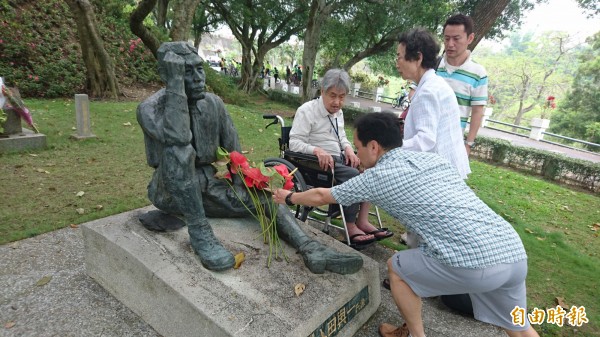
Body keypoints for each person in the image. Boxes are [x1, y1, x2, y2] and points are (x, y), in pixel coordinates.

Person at [273, 112, 540, 337]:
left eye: (358, 147)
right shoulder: (432, 159)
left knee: (397, 269)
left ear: (374, 147)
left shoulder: (379, 177)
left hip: (473, 261)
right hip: (512, 252)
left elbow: (322, 195)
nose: (355, 153)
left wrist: (290, 197)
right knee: (518, 326)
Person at [136, 42, 362, 275]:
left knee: (267, 198)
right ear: (169, 76)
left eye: (199, 69)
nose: (196, 78)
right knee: (178, 151)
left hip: (213, 185)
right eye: (185, 72)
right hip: (173, 190)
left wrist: (248, 187)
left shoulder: (213, 104)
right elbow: (179, 137)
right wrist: (175, 87)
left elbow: (234, 151)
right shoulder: (150, 109)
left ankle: (312, 249)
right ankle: (199, 232)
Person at [289, 68, 393, 246]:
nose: (337, 102)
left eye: (342, 96)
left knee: (371, 169)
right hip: (316, 163)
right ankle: (351, 226)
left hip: (338, 159)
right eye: (333, 95)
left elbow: (342, 136)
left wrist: (348, 149)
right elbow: (294, 143)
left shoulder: (338, 113)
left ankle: (362, 220)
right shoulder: (307, 111)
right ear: (322, 91)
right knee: (353, 177)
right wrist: (316, 150)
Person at [395, 28, 470, 180]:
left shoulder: (427, 92)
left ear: (418, 58)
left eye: (399, 57)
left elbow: (426, 140)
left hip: (440, 175)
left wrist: (391, 148)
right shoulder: (433, 84)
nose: (397, 63)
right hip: (445, 170)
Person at [437, 14, 488, 156]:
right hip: (423, 140)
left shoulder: (478, 73)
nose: (450, 44)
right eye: (447, 38)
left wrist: (468, 144)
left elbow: (477, 111)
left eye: (456, 39)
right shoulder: (432, 65)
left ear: (470, 38)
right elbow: (413, 92)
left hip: (452, 145)